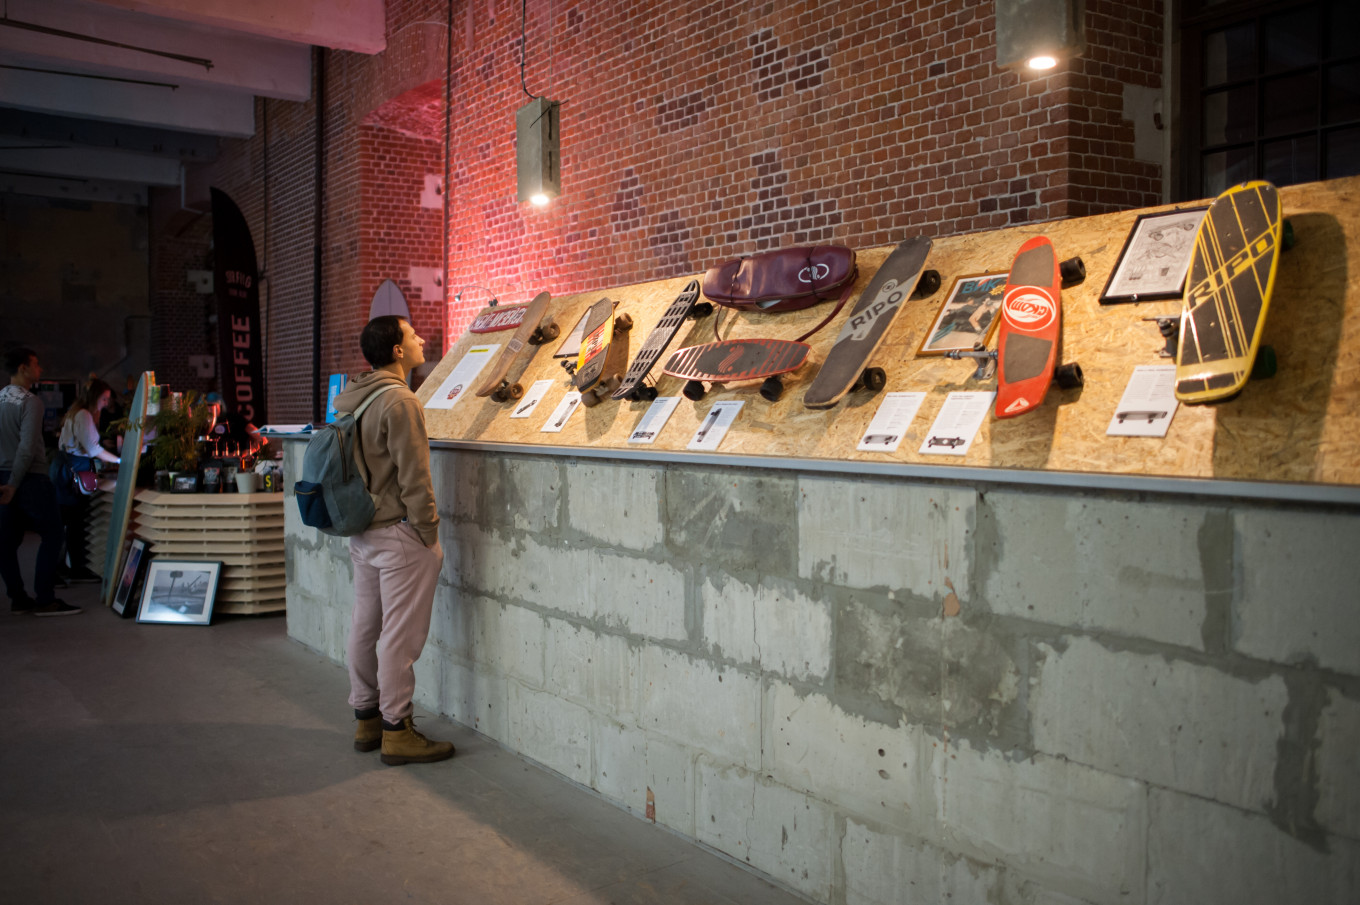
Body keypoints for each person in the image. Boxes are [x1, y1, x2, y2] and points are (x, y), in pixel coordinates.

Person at [334, 316, 451, 766]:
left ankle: (366, 718)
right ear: (398, 351)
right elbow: (415, 477)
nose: (421, 339)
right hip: (400, 533)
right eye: (413, 334)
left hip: (363, 530)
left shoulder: (356, 398)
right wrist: (429, 533)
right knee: (399, 638)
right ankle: (396, 730)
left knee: (366, 625)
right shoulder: (400, 401)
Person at [0, 348, 80, 616]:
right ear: (23, 368)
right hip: (29, 478)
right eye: (36, 364)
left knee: (7, 541)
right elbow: (26, 448)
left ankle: (18, 597)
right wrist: (13, 483)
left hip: (3, 476)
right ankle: (45, 598)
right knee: (53, 534)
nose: (41, 370)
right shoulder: (30, 401)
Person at [54, 378, 121, 583]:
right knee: (73, 522)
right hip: (74, 471)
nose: (106, 403)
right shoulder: (84, 415)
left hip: (65, 468)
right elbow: (93, 449)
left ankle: (63, 569)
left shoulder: (75, 413)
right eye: (104, 398)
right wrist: (121, 460)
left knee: (65, 522)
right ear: (95, 397)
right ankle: (73, 569)